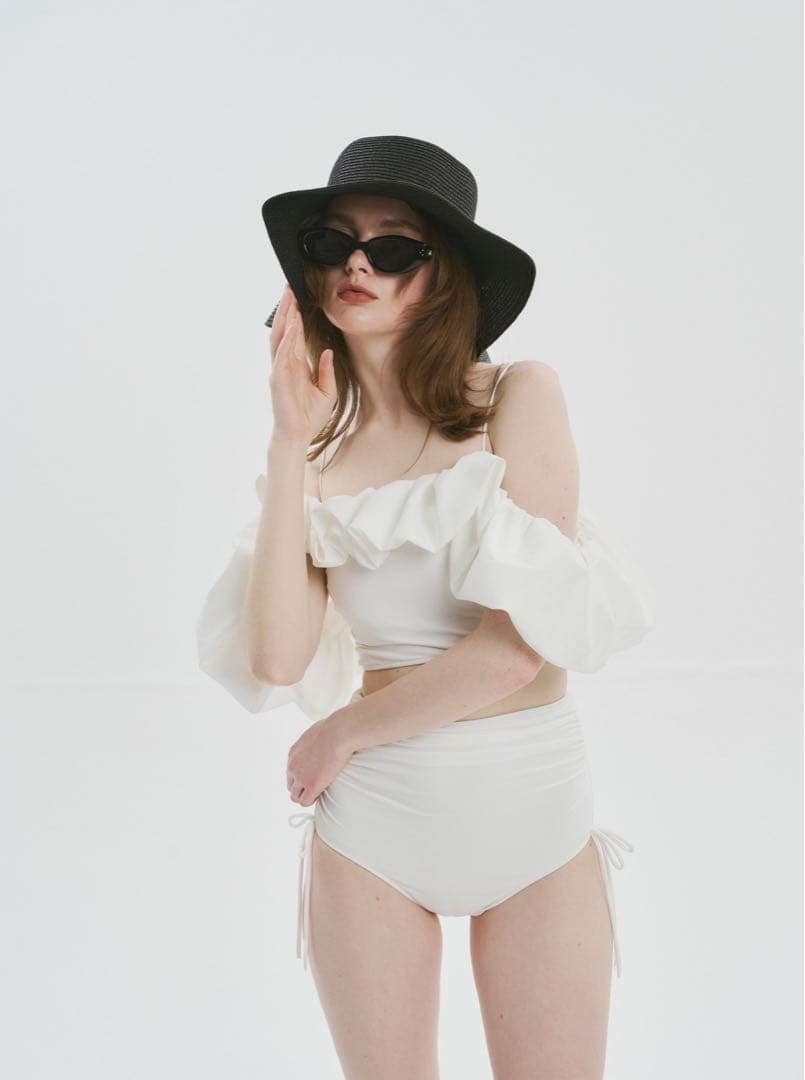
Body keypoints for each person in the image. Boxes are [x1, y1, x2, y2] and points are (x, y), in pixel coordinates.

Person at [196, 135, 655, 1079]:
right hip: (372, 828)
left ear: (443, 276)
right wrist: (288, 443)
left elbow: (515, 652)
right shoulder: (317, 460)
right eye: (331, 242)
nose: (357, 264)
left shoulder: (517, 398)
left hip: (533, 812)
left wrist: (339, 733)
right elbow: (278, 659)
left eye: (393, 246)